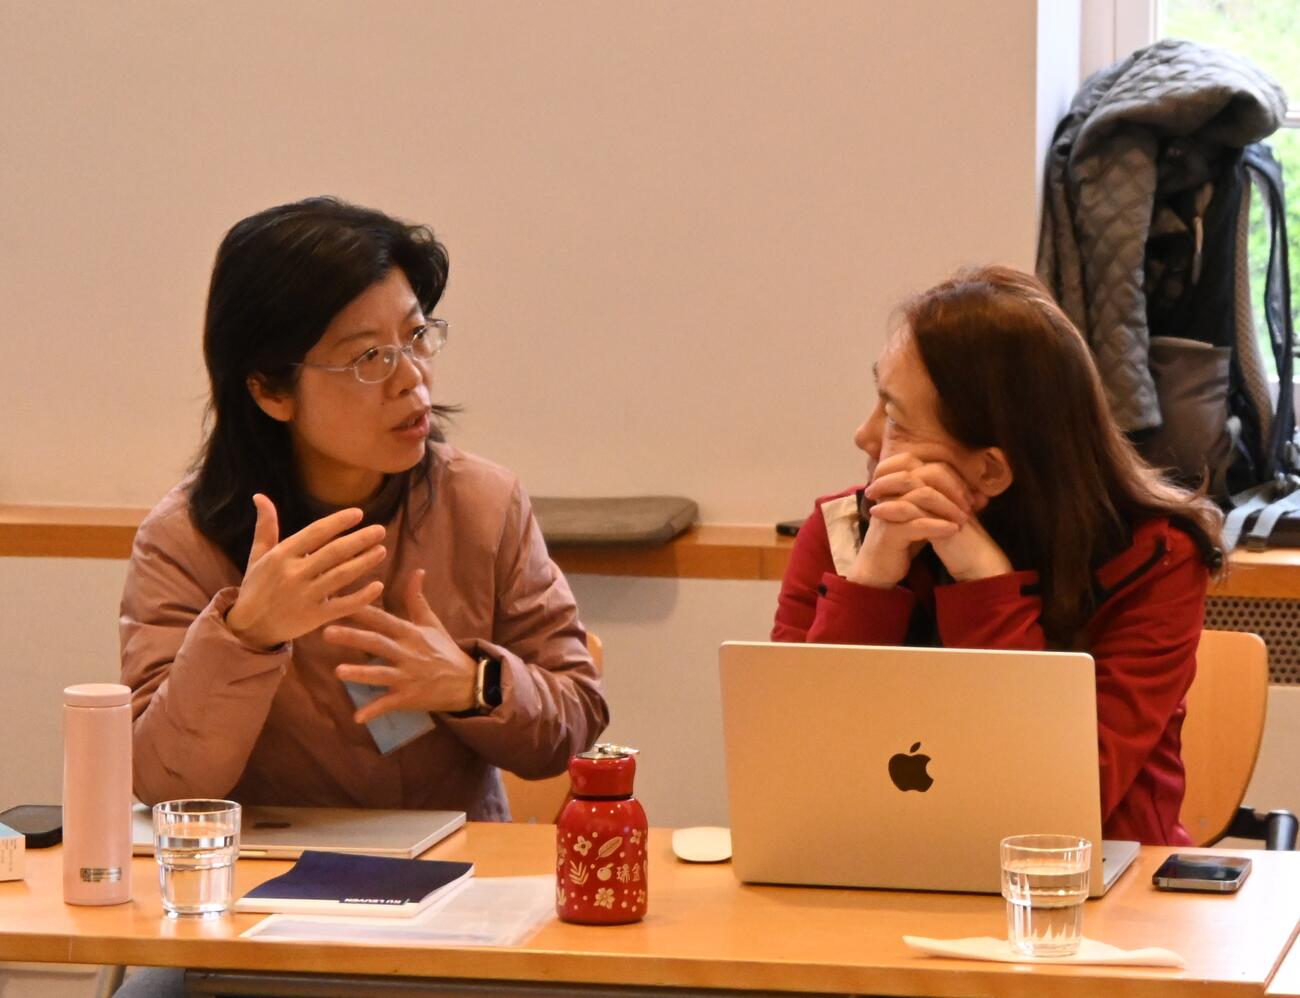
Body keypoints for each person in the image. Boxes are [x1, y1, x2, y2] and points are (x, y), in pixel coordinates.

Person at [120, 196, 608, 822]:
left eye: (416, 337)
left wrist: (471, 685)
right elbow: (164, 783)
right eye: (368, 357)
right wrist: (244, 636)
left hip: (454, 879)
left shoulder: (482, 505)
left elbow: (575, 723)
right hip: (267, 890)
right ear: (270, 389)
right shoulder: (185, 540)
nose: (412, 378)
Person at [772, 265, 1223, 846]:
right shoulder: (843, 533)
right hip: (870, 869)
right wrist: (870, 583)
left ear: (989, 469)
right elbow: (792, 764)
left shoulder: (1157, 559)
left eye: (893, 418)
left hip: (1099, 898)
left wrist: (983, 582)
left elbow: (1063, 797)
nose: (863, 436)